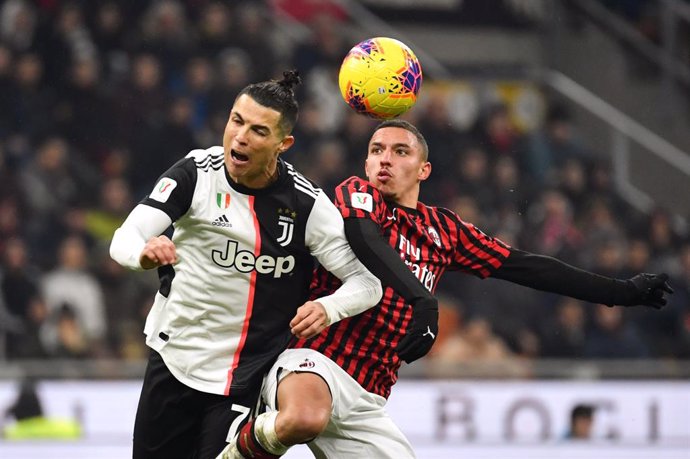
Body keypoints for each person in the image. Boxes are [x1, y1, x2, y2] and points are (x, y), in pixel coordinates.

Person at [221, 119, 673, 459]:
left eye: (400, 152)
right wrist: (423, 298)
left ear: (423, 169)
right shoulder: (355, 195)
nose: (385, 159)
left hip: (371, 395)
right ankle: (239, 448)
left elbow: (526, 266)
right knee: (304, 418)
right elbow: (364, 238)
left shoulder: (445, 230)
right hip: (316, 357)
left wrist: (621, 292)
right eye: (377, 149)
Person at [108, 71, 382, 459]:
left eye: (258, 131)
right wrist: (142, 254)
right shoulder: (195, 174)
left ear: (283, 143)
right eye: (236, 121)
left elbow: (368, 284)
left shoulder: (308, 207)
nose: (240, 137)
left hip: (246, 380)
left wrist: (327, 307)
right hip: (174, 360)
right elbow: (125, 236)